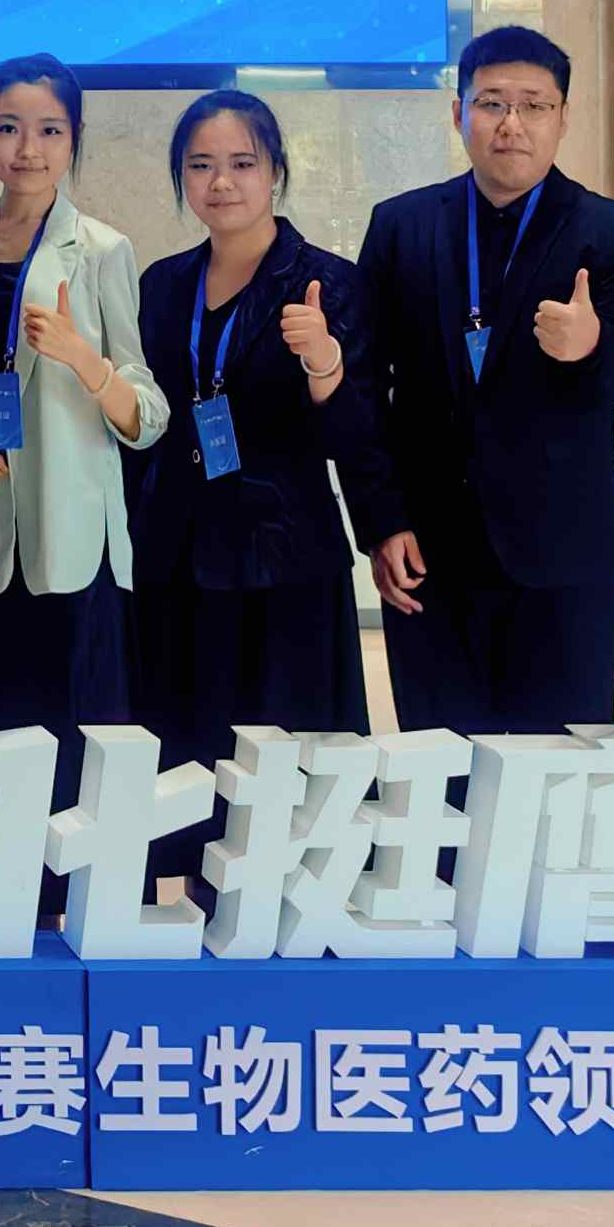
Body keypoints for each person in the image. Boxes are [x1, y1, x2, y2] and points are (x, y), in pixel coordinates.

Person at [351, 27, 614, 733]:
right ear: (457, 112)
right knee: (439, 763)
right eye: (491, 103)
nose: (511, 124)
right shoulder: (401, 226)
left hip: (566, 553)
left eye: (534, 105)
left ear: (563, 117)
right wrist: (381, 521)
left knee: (557, 770)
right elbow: (366, 388)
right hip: (427, 550)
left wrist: (591, 346)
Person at [129, 88, 398, 873]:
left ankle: (287, 911)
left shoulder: (326, 284)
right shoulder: (163, 285)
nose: (222, 183)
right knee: (189, 757)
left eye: (242, 163)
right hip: (176, 555)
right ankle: (197, 898)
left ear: (276, 170)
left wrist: (324, 364)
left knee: (287, 764)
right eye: (200, 166)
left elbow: (356, 435)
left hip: (284, 558)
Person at [0, 56, 159, 915]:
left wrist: (82, 359)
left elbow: (147, 410)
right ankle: (3, 912)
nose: (28, 148)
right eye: (9, 129)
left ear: (73, 140)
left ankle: (95, 909)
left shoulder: (100, 251)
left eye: (49, 130)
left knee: (84, 738)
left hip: (75, 539)